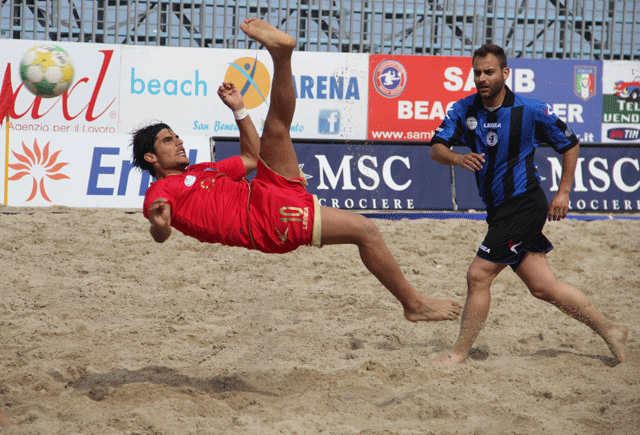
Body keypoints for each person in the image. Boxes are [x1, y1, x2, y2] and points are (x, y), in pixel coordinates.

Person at [131, 18, 462, 323]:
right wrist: (160, 226)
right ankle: (413, 304)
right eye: (167, 140)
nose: (178, 141)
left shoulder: (204, 170)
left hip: (265, 190)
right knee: (365, 230)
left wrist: (240, 110)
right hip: (265, 221)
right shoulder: (160, 192)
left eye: (175, 135)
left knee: (275, 128)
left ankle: (282, 55)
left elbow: (250, 157)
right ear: (151, 157)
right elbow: (161, 229)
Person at [429, 44, 628, 365]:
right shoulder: (464, 109)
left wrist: (563, 192)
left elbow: (570, 143)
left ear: (505, 73)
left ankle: (458, 354)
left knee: (478, 275)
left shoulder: (530, 109)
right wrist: (457, 156)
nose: (481, 78)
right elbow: (436, 148)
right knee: (543, 286)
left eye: (489, 72)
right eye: (477, 72)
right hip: (499, 210)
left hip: (523, 205)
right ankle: (611, 330)